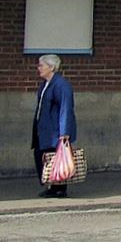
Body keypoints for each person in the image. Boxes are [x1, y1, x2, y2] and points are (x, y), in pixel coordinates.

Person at [32, 54, 77, 198]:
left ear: (51, 67)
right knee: (44, 157)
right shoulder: (45, 84)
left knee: (56, 157)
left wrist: (64, 132)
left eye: (41, 65)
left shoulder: (61, 85)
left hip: (54, 130)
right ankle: (51, 185)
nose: (39, 68)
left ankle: (59, 188)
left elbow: (65, 108)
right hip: (43, 129)